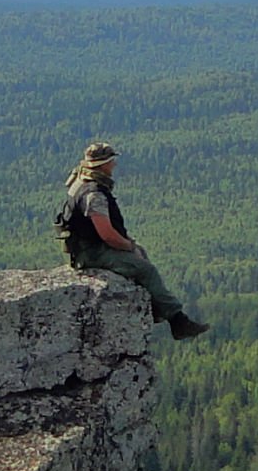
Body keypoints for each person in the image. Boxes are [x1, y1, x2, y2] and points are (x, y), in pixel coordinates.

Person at [56, 141, 208, 339]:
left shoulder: (81, 182)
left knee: (141, 254)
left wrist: (133, 247)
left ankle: (155, 310)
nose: (114, 165)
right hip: (91, 253)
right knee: (146, 269)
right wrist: (128, 246)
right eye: (111, 161)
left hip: (88, 247)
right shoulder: (94, 194)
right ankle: (178, 322)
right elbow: (107, 235)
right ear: (103, 164)